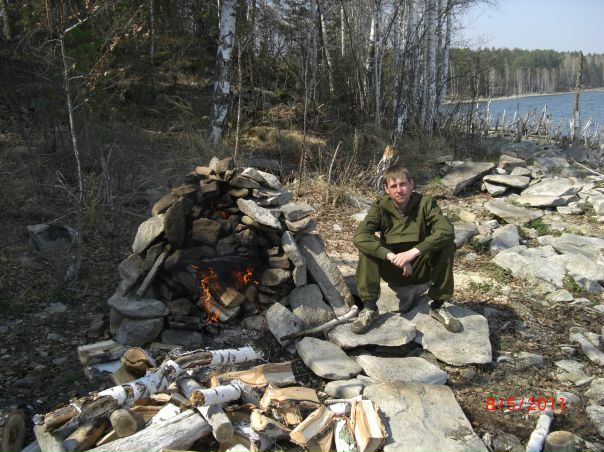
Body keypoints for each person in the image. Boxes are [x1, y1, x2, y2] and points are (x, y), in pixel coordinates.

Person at [351, 164, 461, 334]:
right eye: (393, 186)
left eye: (403, 184)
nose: (399, 190)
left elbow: (446, 231)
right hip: (392, 269)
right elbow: (360, 235)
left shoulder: (425, 203)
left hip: (421, 268)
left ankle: (438, 305)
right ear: (387, 189)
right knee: (367, 247)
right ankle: (370, 307)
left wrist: (412, 253)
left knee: (446, 244)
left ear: (412, 184)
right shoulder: (380, 207)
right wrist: (391, 256)